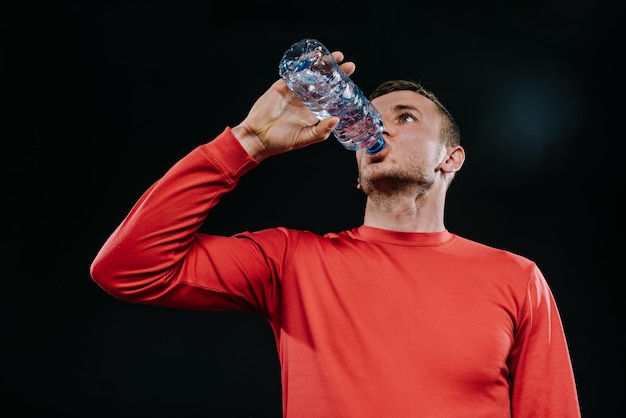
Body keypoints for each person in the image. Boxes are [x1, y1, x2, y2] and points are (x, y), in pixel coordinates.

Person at [90, 49, 581, 417]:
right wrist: (249, 141)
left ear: (451, 157)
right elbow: (128, 268)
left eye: (405, 117)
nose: (375, 126)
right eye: (367, 115)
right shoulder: (293, 261)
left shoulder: (516, 278)